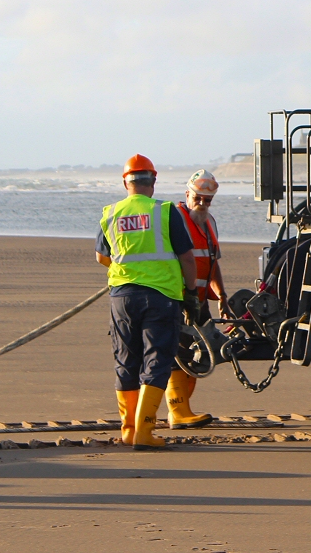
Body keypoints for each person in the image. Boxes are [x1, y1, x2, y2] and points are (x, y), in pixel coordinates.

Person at [96, 154, 201, 451]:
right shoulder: (165, 211)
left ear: (125, 182)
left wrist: (129, 269)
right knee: (157, 360)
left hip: (121, 296)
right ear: (152, 181)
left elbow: (101, 257)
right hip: (161, 296)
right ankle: (144, 431)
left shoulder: (111, 213)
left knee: (126, 360)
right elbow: (187, 258)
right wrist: (191, 294)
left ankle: (129, 430)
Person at [165, 169, 227, 430]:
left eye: (207, 200)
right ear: (187, 194)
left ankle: (182, 408)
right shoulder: (175, 218)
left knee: (197, 356)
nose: (202, 204)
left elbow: (213, 262)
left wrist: (222, 295)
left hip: (200, 302)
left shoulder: (209, 222)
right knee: (177, 354)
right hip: (177, 299)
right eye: (198, 198)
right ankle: (178, 411)